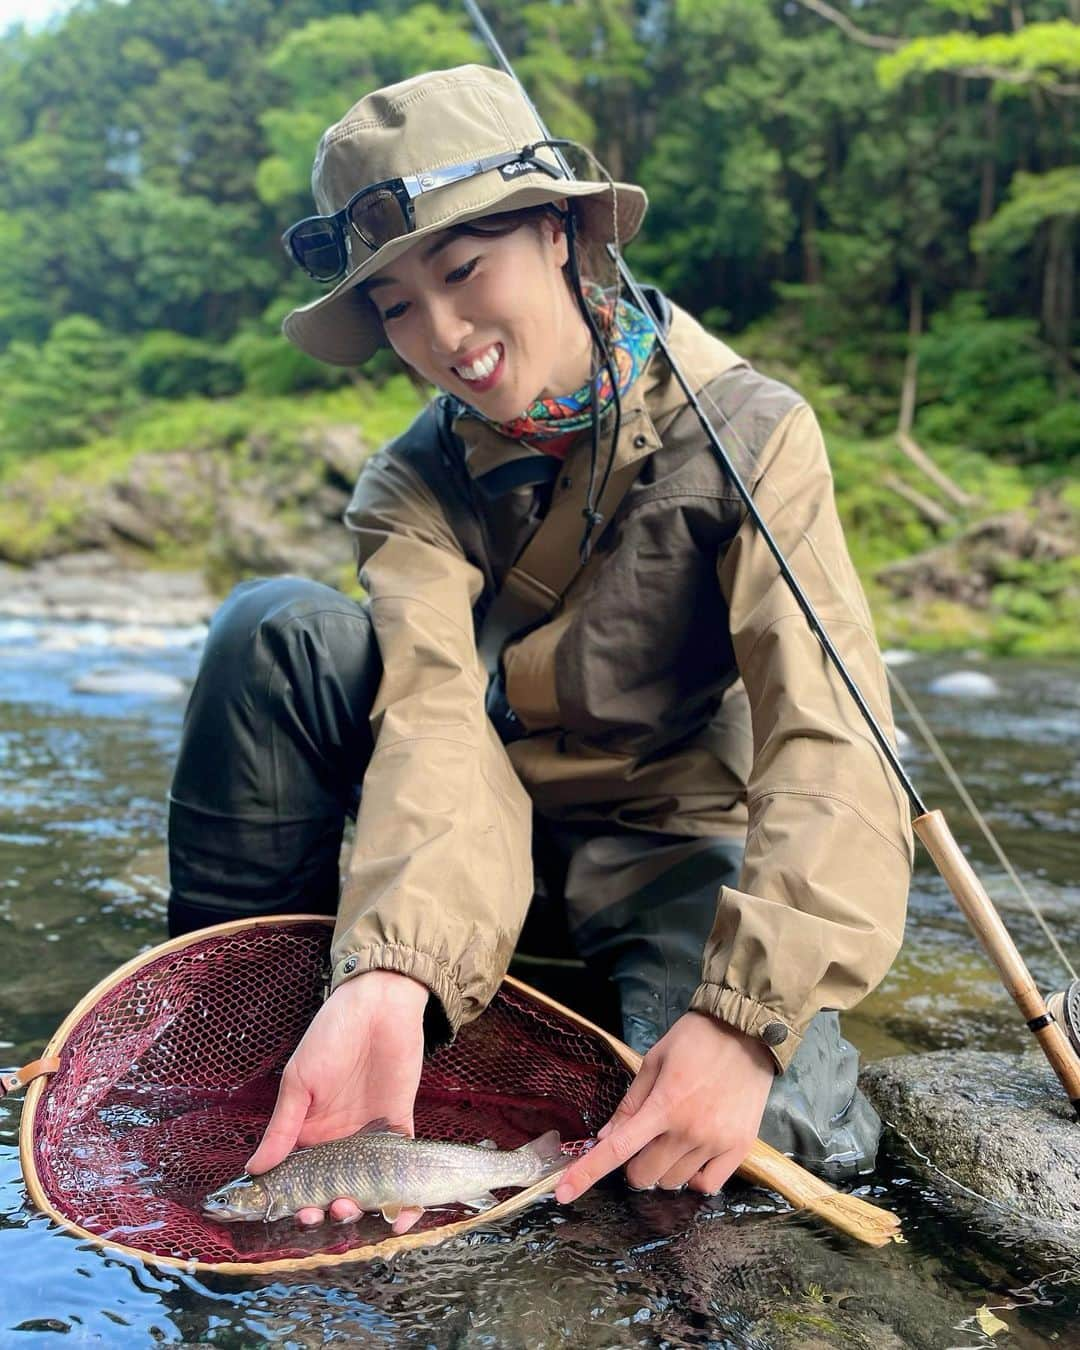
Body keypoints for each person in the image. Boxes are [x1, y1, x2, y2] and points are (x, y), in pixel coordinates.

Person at [167, 65, 912, 1234]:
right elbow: (431, 715)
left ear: (564, 231)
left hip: (661, 838)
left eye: (463, 272)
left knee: (760, 1143)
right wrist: (389, 972)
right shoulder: (411, 481)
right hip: (475, 823)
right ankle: (255, 1014)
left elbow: (829, 730)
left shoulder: (755, 433)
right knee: (273, 632)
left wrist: (744, 1016)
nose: (443, 337)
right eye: (397, 308)